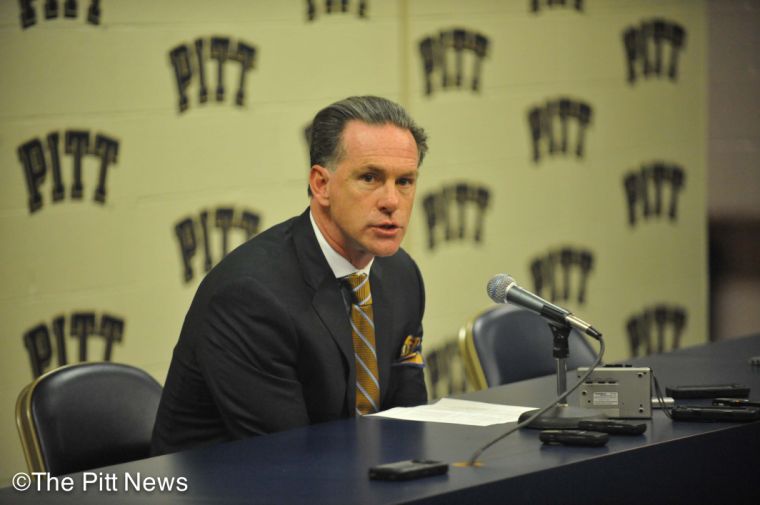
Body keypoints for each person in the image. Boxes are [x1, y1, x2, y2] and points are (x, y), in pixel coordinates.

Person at [151, 96, 429, 455]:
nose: (391, 200)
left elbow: (409, 421)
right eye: (370, 178)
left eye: (404, 181)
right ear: (321, 184)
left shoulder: (401, 274)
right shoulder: (250, 296)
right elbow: (288, 458)